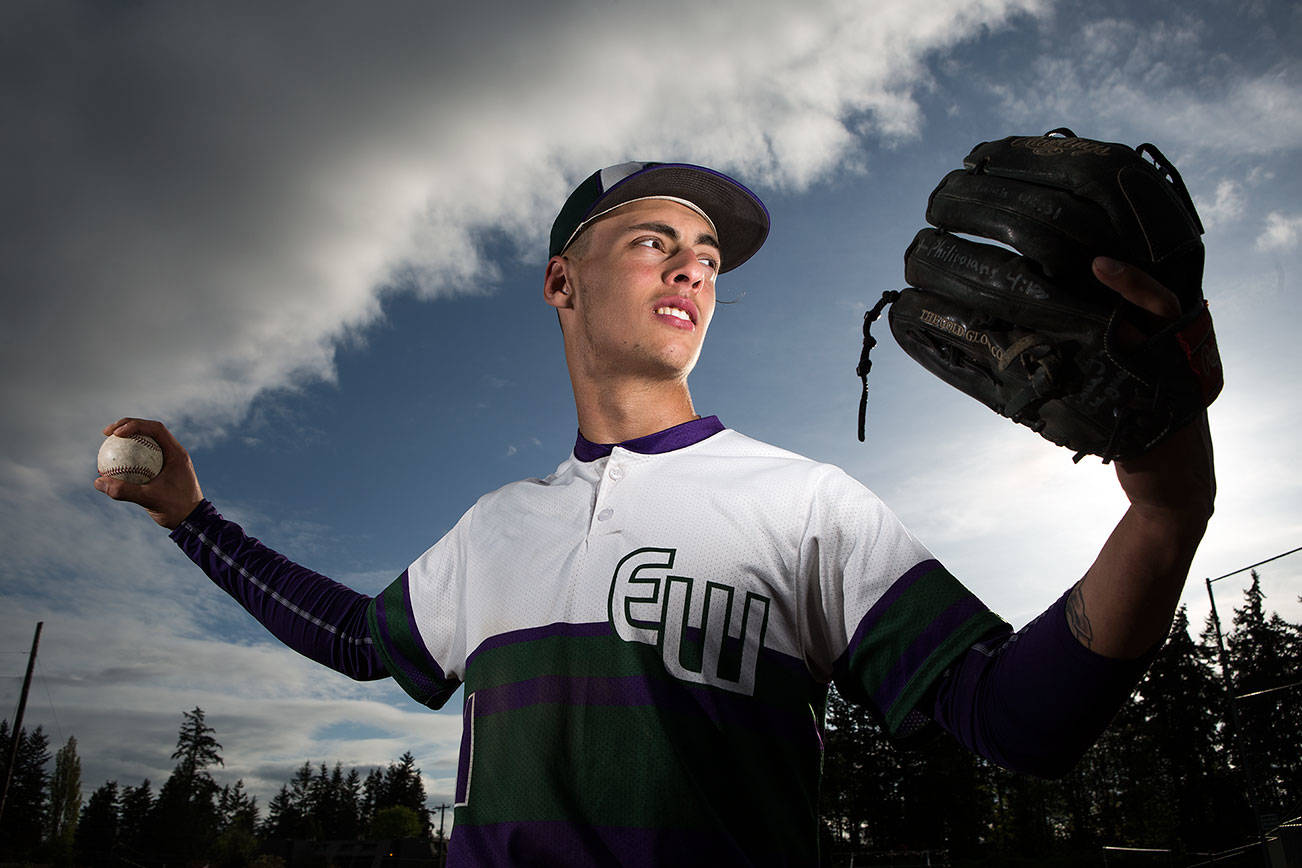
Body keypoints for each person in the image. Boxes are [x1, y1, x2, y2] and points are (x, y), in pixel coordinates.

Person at [96, 161, 1215, 865]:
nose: (692, 268)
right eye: (652, 242)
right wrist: (191, 518)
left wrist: (1165, 515)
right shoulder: (494, 529)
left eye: (709, 256)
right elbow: (355, 636)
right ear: (560, 282)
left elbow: (1016, 719)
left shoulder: (803, 504)